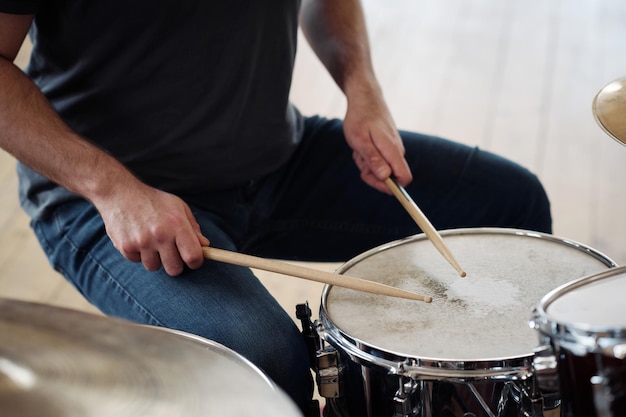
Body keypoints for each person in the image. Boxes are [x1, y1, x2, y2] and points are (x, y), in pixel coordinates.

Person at [0, 1, 552, 415]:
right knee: (265, 360)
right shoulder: (108, 193)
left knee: (513, 205)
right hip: (111, 199)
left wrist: (362, 87)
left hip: (278, 158)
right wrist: (111, 189)